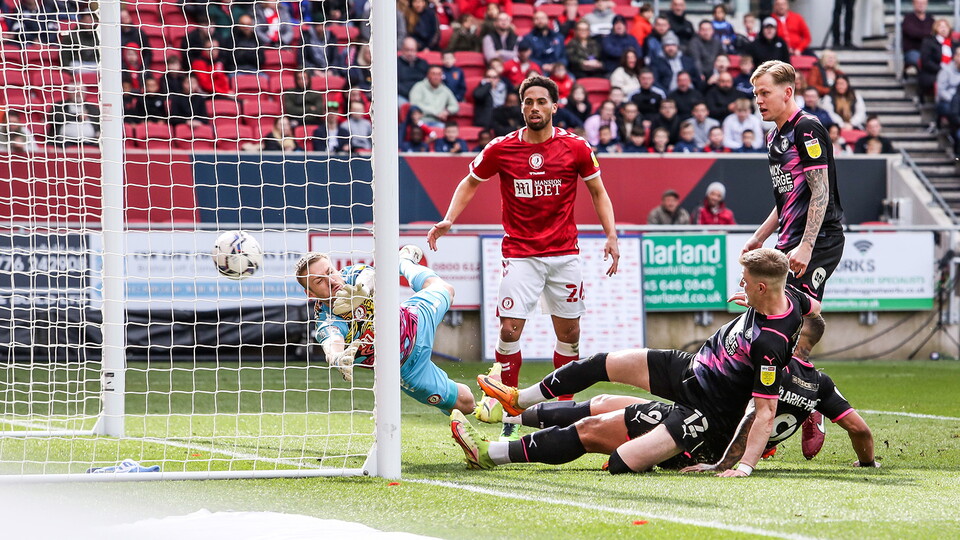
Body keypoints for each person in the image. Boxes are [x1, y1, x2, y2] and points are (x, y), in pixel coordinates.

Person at [457, 248, 823, 475]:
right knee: (604, 362)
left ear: (762, 287)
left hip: (704, 412)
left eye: (745, 284)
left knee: (605, 445)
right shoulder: (788, 295)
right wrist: (756, 304)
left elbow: (763, 413)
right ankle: (519, 399)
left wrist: (740, 467)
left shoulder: (770, 345)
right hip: (689, 368)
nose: (740, 287)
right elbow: (813, 308)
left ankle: (489, 454)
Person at [427, 75, 620, 441]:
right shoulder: (501, 148)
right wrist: (449, 219)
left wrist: (611, 235)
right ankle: (510, 413)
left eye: (541, 101)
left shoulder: (576, 147)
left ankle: (563, 410)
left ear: (554, 106)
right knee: (510, 330)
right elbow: (469, 182)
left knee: (570, 336)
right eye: (528, 101)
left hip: (564, 255)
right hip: (520, 254)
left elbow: (598, 191)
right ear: (521, 107)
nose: (534, 107)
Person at [749, 60, 848, 447]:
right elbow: (786, 198)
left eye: (764, 93)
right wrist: (759, 238)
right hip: (789, 241)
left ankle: (811, 402)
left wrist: (806, 245)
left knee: (793, 317)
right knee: (769, 320)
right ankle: (778, 412)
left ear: (787, 92)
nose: (759, 101)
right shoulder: (775, 137)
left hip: (819, 240)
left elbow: (819, 190)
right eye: (755, 94)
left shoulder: (807, 128)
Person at [296, 246, 476, 415]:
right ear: (310, 294)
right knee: (466, 404)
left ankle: (403, 262)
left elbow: (370, 275)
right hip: (407, 369)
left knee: (447, 289)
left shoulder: (351, 275)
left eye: (330, 272)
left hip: (415, 317)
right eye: (320, 281)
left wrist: (362, 292)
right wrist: (338, 359)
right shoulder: (326, 320)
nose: (332, 280)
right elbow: (332, 344)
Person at [919, 19, 954, 102]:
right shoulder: (928, 42)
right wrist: (942, 70)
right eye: (941, 26)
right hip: (934, 73)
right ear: (935, 29)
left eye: (945, 27)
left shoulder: (954, 44)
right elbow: (926, 61)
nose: (943, 29)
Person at [903, 0, 934, 70]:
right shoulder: (908, 18)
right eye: (918, 3)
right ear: (913, 4)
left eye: (923, 3)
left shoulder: (931, 19)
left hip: (928, 51)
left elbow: (935, 33)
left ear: (927, 4)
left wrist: (920, 33)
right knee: (919, 59)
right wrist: (928, 33)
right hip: (912, 51)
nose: (921, 5)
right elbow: (912, 32)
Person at [398, 37, 429, 102]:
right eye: (407, 50)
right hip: (402, 95)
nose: (410, 53)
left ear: (416, 50)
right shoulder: (396, 64)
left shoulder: (423, 63)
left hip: (422, 96)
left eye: (412, 50)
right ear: (402, 50)